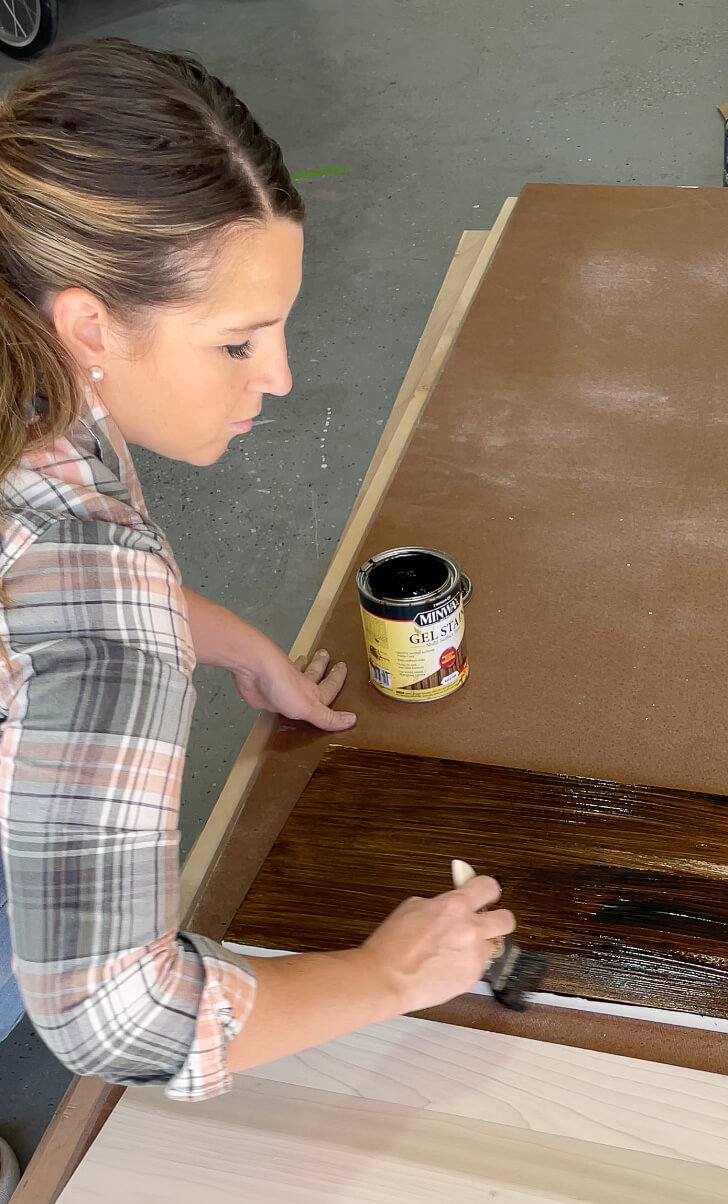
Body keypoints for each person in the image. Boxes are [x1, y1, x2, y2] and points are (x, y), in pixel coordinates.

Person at [0, 38, 514, 1099]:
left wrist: (225, 638)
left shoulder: (29, 355)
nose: (277, 378)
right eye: (238, 343)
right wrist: (383, 976)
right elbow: (118, 1021)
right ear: (89, 322)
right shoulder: (95, 576)